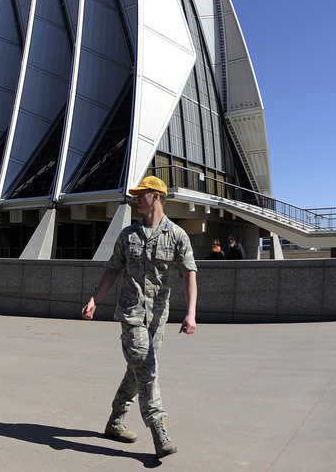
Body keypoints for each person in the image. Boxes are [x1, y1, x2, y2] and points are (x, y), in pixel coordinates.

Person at [81, 175, 198, 459]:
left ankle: (115, 421)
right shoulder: (128, 235)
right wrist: (95, 300)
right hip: (131, 314)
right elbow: (112, 269)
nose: (136, 199)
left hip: (157, 318)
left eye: (141, 194)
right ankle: (159, 429)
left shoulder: (177, 235)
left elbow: (189, 274)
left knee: (137, 371)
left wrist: (191, 313)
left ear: (156, 196)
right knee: (147, 369)